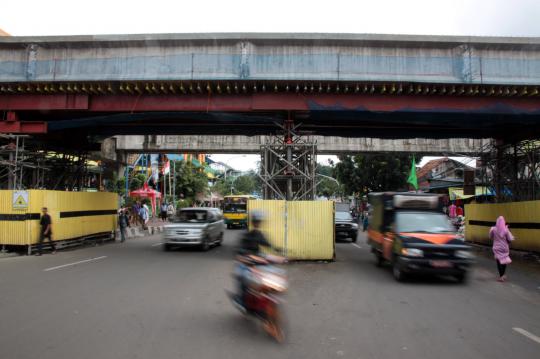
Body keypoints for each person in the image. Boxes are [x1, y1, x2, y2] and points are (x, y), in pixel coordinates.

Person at [235, 211, 280, 307]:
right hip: (245, 262)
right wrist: (243, 256)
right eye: (256, 221)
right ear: (252, 222)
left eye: (259, 221)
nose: (258, 223)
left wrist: (276, 249)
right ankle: (241, 301)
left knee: (272, 274)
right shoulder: (246, 235)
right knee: (242, 276)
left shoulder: (259, 234)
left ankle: (265, 296)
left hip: (257, 260)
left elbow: (266, 243)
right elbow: (239, 251)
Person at [490, 216, 515, 282]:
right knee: (504, 261)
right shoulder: (506, 230)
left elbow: (490, 236)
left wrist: (496, 238)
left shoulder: (493, 229)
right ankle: (503, 275)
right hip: (504, 248)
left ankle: (501, 276)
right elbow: (510, 239)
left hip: (496, 247)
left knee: (498, 262)